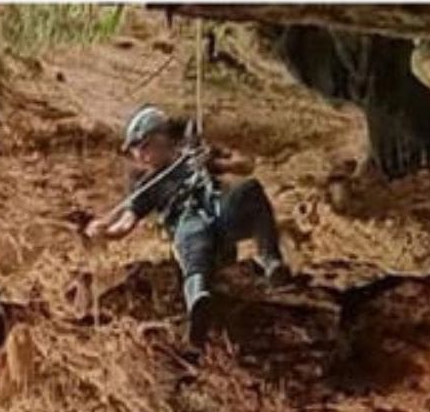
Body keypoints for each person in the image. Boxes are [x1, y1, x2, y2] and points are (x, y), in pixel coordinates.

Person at [84, 105, 289, 347]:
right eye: (136, 150)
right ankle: (198, 304)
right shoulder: (147, 187)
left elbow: (247, 165)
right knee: (194, 235)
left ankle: (272, 261)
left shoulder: (194, 153)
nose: (140, 154)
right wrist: (105, 232)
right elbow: (125, 224)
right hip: (187, 225)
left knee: (250, 190)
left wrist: (217, 162)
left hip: (218, 214)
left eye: (144, 146)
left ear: (161, 137)